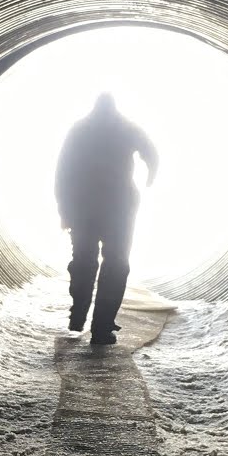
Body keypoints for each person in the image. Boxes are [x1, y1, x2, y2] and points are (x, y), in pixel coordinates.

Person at [54, 92, 159, 345]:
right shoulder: (127, 128)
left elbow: (62, 172)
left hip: (84, 207)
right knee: (115, 264)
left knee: (84, 261)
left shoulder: (79, 130)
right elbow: (151, 153)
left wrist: (64, 210)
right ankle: (101, 328)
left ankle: (79, 315)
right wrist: (149, 177)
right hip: (119, 207)